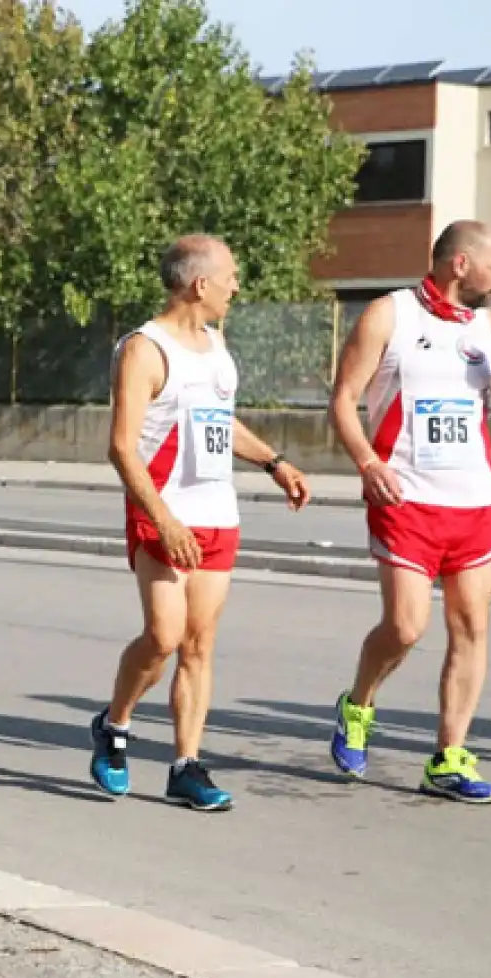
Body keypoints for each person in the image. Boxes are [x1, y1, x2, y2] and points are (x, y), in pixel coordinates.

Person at [90, 235, 311, 810]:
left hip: (218, 511)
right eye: (231, 275)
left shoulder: (216, 344)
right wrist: (162, 520)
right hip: (163, 511)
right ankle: (114, 725)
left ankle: (186, 764)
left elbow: (220, 421)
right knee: (163, 636)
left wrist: (274, 461)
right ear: (199, 283)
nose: (237, 286)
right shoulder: (144, 349)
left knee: (199, 644)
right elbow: (121, 448)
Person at [325, 221, 491, 804]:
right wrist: (367, 463)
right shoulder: (390, 315)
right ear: (461, 264)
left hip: (475, 506)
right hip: (406, 499)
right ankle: (358, 704)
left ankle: (449, 755)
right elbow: (343, 398)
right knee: (406, 627)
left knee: (471, 629)